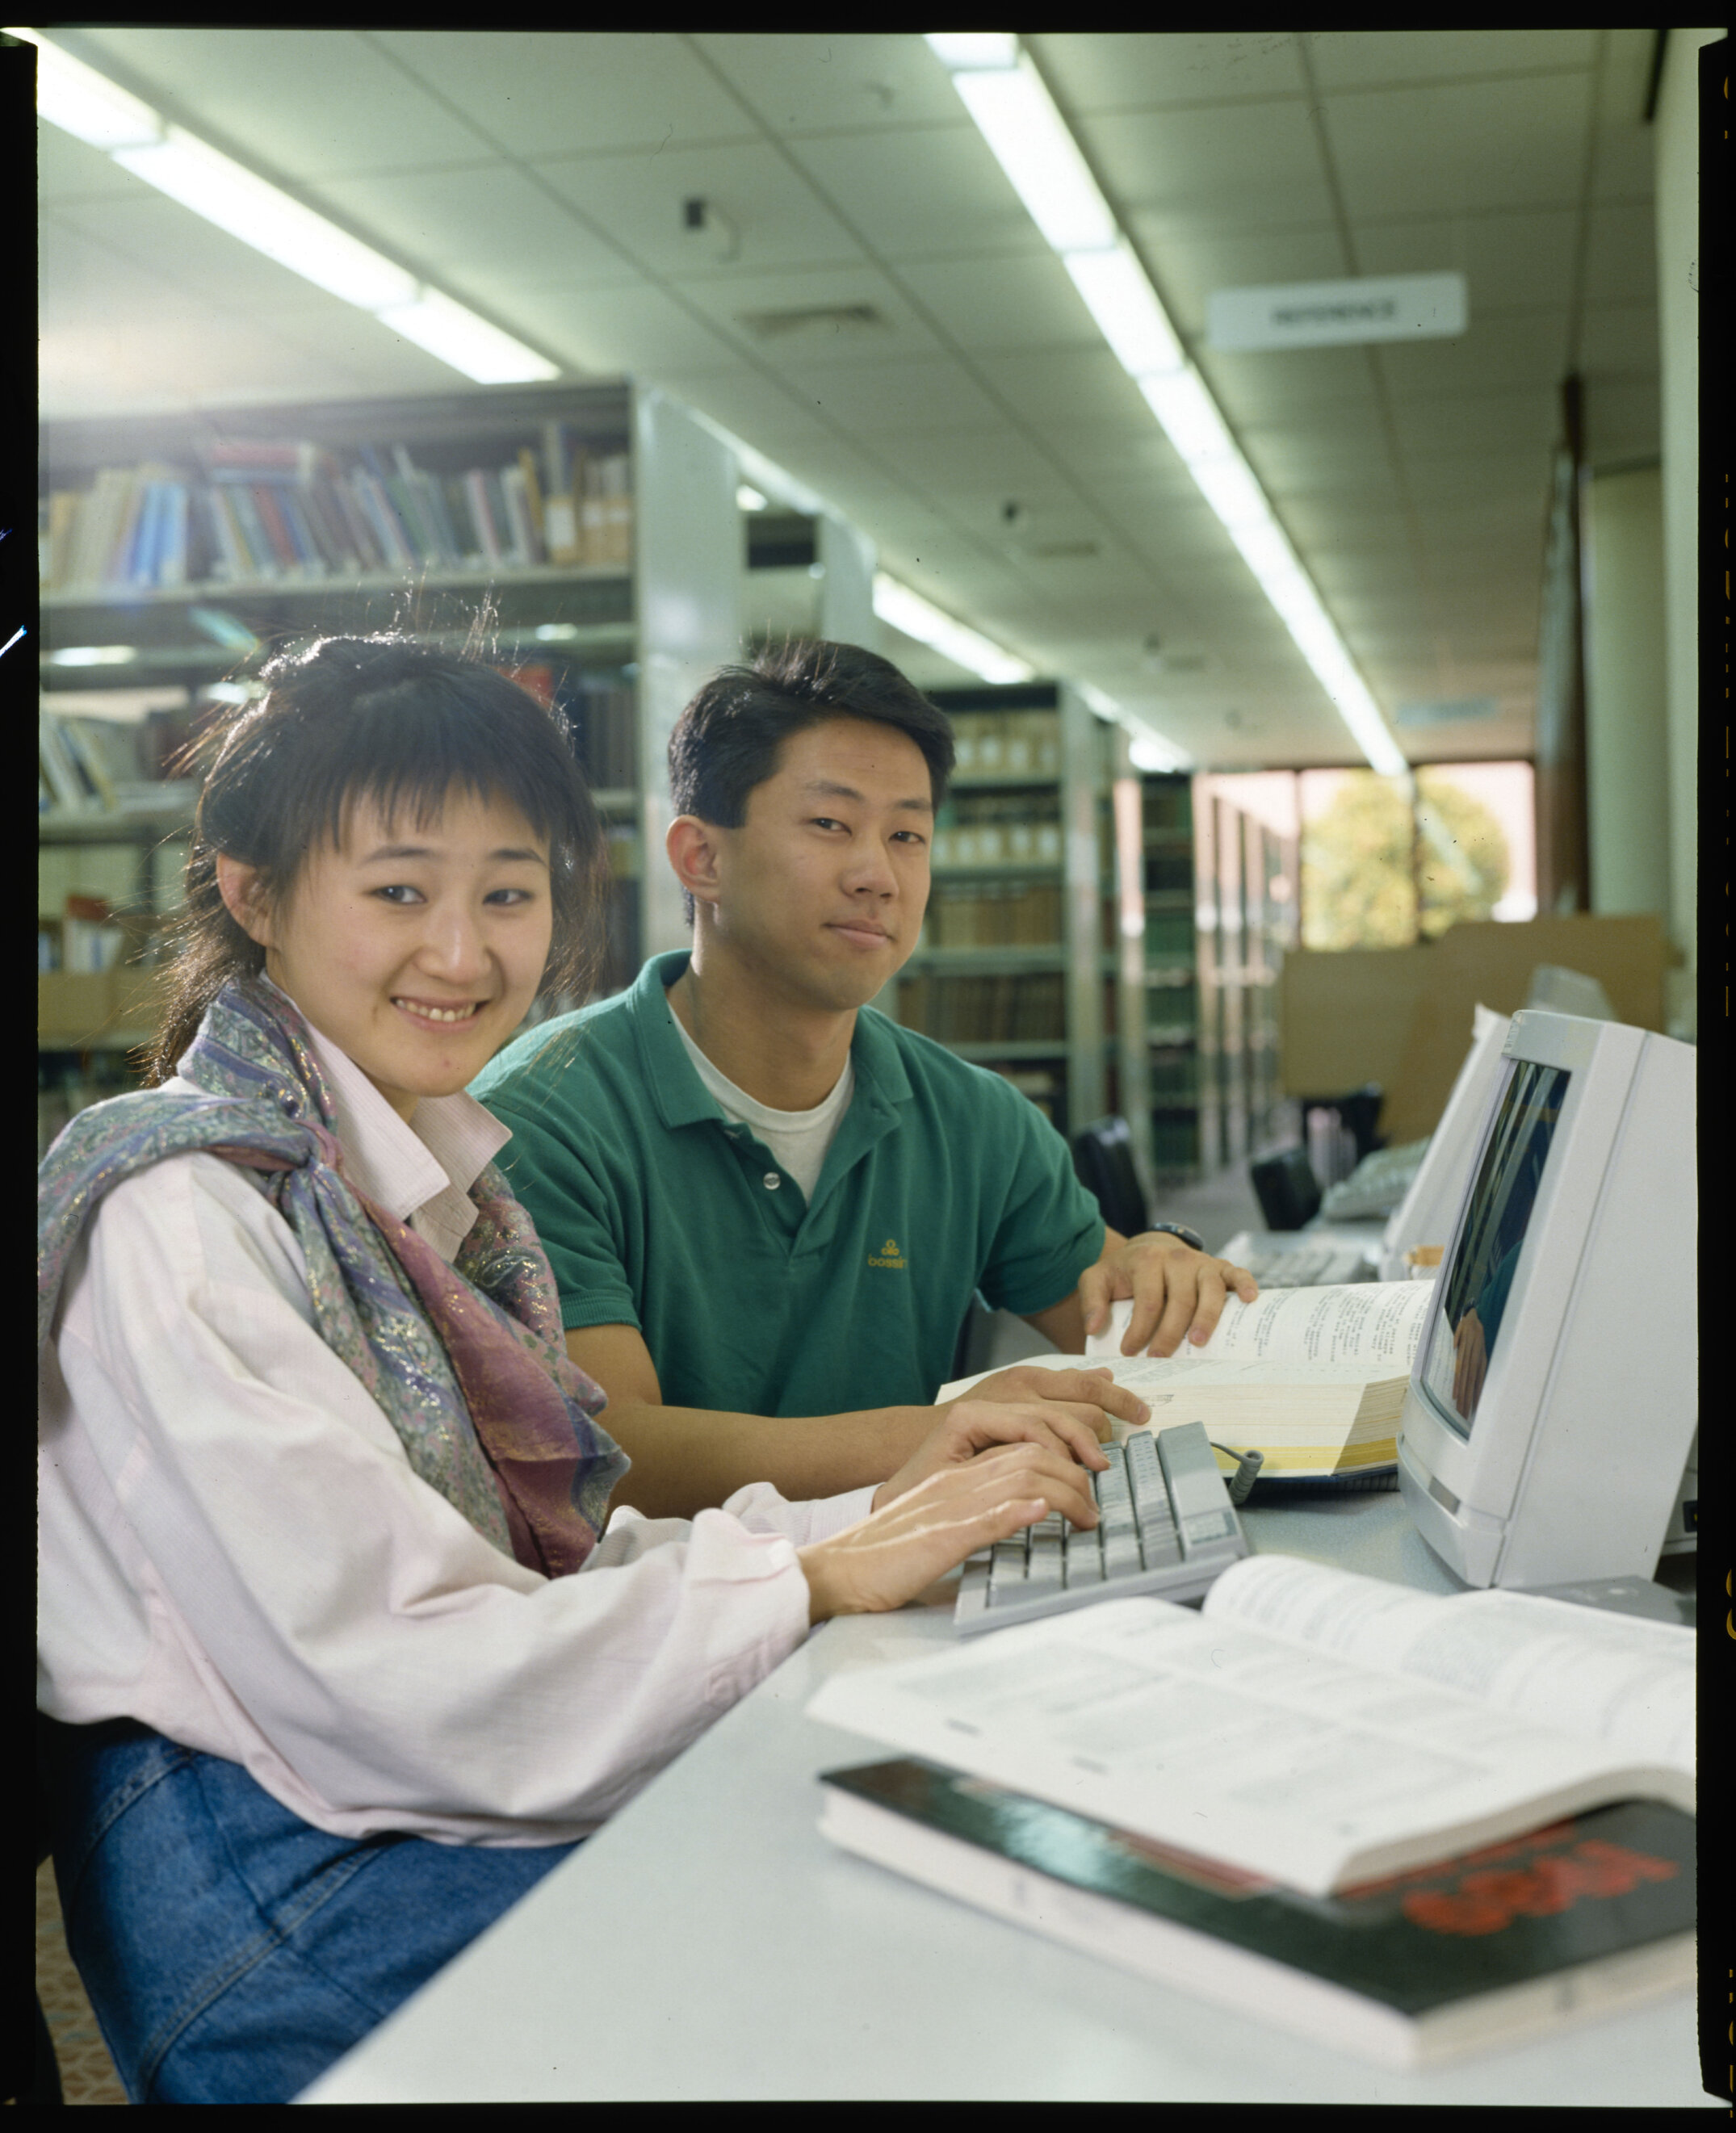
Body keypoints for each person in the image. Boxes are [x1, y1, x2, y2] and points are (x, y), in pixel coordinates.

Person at [36, 635, 1108, 2106]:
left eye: (509, 893)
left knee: (919, 1850)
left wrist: (854, 1533)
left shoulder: (410, 1189)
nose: (464, 954)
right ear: (255, 890)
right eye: (399, 890)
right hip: (282, 1889)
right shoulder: (187, 1212)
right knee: (877, 1950)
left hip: (383, 1790)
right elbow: (397, 1673)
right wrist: (809, 1577)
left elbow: (534, 1571)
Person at [473, 639, 1258, 1519]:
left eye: (906, 835)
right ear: (701, 857)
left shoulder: (971, 1118)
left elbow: (1128, 1336)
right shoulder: (539, 1115)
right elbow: (618, 1455)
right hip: (670, 1619)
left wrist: (1158, 1268)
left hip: (905, 1597)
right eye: (829, 825)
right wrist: (940, 1426)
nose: (877, 875)